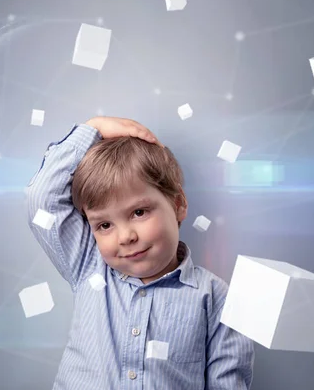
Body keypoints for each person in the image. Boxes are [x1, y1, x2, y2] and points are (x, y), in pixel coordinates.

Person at [25, 116, 254, 389]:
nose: (125, 237)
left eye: (139, 212)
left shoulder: (216, 298)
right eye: (105, 225)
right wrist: (94, 128)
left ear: (178, 204)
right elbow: (41, 199)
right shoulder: (88, 265)